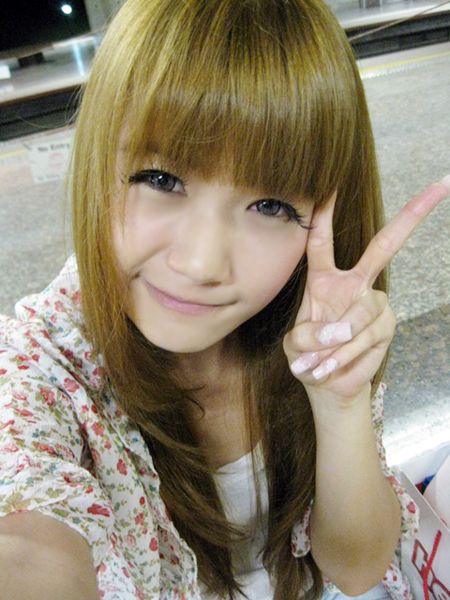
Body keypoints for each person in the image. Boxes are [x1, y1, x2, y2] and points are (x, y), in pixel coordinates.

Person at [0, 0, 448, 598]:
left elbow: (357, 567)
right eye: (160, 179)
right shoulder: (43, 368)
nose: (201, 264)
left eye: (271, 206)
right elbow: (27, 543)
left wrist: (339, 403)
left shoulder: (308, 319)